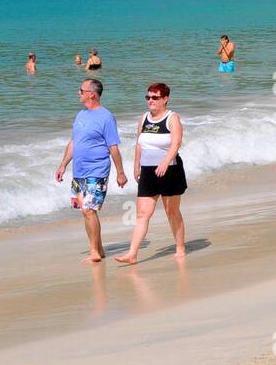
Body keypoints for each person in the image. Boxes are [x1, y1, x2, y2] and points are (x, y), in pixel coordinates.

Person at [55, 78, 126, 263]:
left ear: (91, 94)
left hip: (98, 169)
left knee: (89, 209)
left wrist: (120, 172)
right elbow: (73, 142)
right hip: (79, 171)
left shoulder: (106, 117)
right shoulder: (81, 115)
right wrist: (63, 164)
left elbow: (113, 147)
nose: (78, 93)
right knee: (85, 211)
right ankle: (98, 249)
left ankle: (94, 252)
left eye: (81, 90)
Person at [115, 82, 186, 264]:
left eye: (155, 97)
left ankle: (180, 247)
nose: (150, 101)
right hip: (148, 172)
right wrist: (136, 165)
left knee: (172, 211)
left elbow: (176, 143)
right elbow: (140, 143)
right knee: (142, 214)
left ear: (165, 99)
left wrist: (164, 163)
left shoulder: (172, 118)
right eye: (148, 97)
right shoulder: (144, 118)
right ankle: (132, 254)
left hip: (170, 170)